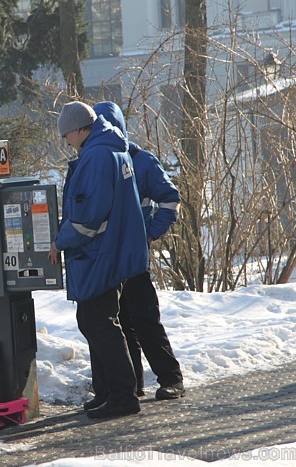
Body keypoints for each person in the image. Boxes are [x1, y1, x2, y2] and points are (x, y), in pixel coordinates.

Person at [48, 101, 149, 419]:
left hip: (99, 254)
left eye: (66, 134)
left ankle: (122, 396)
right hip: (113, 249)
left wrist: (59, 242)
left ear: (79, 129)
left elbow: (88, 217)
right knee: (99, 321)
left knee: (99, 322)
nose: (65, 141)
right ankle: (109, 392)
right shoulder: (112, 150)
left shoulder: (96, 157)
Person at [92, 101, 185, 401]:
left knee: (144, 320)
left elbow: (170, 199)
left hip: (132, 258)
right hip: (106, 260)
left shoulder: (142, 161)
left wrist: (149, 233)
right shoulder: (93, 162)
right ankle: (128, 387)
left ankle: (172, 379)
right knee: (115, 324)